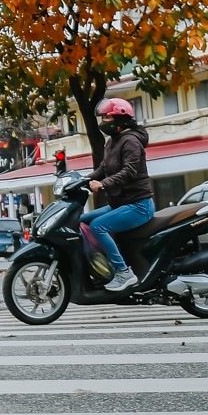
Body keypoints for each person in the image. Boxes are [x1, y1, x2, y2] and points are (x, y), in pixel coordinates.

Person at [82, 98, 154, 293]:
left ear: (120, 119)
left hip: (138, 205)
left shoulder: (131, 141)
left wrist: (103, 184)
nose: (103, 122)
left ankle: (123, 272)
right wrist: (82, 180)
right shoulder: (112, 142)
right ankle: (101, 265)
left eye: (107, 118)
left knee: (98, 226)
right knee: (81, 221)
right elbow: (104, 168)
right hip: (121, 203)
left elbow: (129, 171)